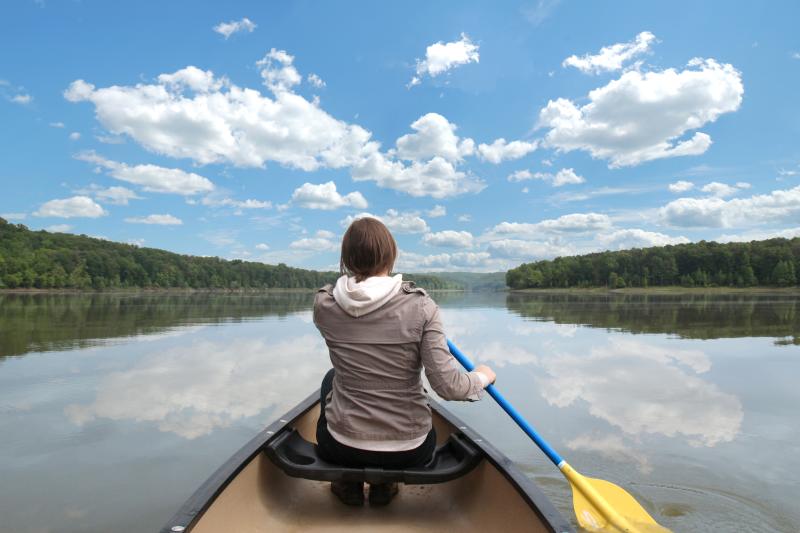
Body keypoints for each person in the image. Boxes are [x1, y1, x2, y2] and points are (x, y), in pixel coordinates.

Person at [313, 217, 496, 506]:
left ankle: (347, 485)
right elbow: (450, 388)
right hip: (410, 450)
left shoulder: (323, 305)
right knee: (337, 379)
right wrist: (483, 376)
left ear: (346, 258)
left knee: (330, 379)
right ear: (391, 255)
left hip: (341, 447)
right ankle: (386, 485)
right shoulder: (422, 307)